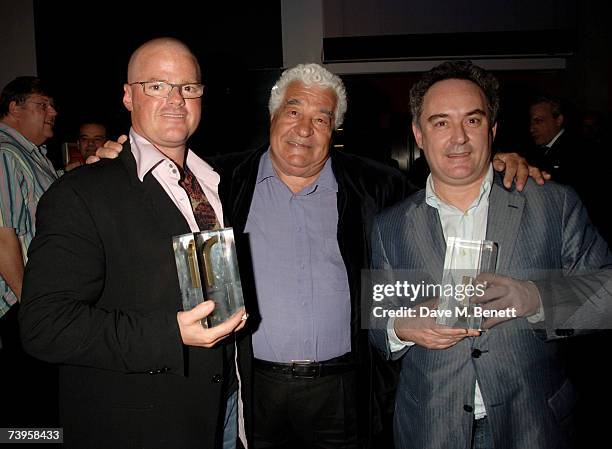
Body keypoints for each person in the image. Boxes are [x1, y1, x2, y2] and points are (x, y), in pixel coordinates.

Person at [94, 63, 543, 449]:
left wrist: (496, 163)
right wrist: (118, 156)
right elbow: (154, 180)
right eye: (293, 111)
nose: (304, 129)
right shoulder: (218, 180)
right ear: (272, 116)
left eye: (321, 118)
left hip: (344, 388)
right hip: (253, 384)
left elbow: (446, 191)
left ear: (335, 128)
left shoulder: (377, 187)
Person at [19, 38, 249, 449]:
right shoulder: (81, 192)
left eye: (188, 87)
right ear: (128, 96)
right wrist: (170, 334)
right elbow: (44, 326)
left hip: (226, 408)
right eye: (157, 86)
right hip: (142, 424)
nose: (176, 99)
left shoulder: (214, 182)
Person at [369, 60, 612, 449]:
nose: (459, 138)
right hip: (432, 428)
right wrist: (399, 327)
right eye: (441, 122)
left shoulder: (552, 202)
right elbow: (378, 317)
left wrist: (536, 298)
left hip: (534, 425)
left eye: (473, 120)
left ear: (493, 129)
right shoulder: (390, 224)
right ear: (418, 133)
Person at [0, 75, 60, 427]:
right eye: (42, 104)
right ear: (13, 108)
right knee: (31, 413)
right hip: (19, 306)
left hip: (36, 303)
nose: (53, 111)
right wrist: (30, 306)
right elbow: (3, 236)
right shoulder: (6, 154)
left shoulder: (30, 155)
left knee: (42, 404)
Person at [526, 95, 576, 184]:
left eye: (538, 121)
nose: (531, 129)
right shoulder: (536, 150)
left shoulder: (573, 150)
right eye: (531, 122)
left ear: (558, 120)